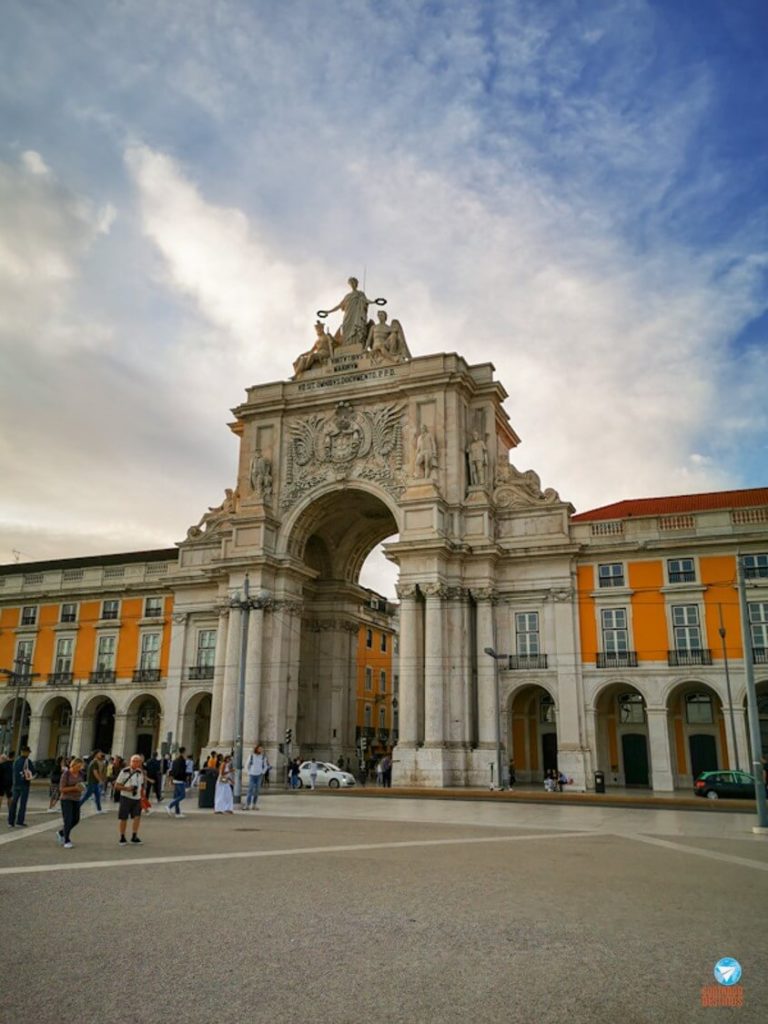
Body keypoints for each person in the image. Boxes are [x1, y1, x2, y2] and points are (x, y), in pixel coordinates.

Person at [322, 277, 377, 349]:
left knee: (358, 328)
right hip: (348, 316)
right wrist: (328, 312)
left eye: (354, 283)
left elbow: (366, 301)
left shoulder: (360, 294)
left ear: (356, 284)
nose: (353, 284)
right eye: (351, 283)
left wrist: (374, 302)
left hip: (358, 315)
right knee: (346, 329)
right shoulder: (347, 296)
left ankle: (358, 343)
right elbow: (339, 306)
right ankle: (347, 345)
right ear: (350, 285)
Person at [115, 755, 146, 845]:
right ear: (130, 762)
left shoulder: (140, 772)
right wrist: (127, 788)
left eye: (138, 761)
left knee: (137, 817)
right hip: (126, 797)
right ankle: (122, 836)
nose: (136, 763)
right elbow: (116, 786)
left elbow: (141, 786)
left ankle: (134, 836)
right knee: (123, 817)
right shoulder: (124, 772)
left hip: (137, 798)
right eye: (134, 761)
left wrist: (143, 798)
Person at [57, 757, 85, 848]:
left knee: (76, 819)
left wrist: (82, 787)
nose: (79, 768)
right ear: (73, 765)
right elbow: (61, 789)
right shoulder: (66, 774)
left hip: (76, 799)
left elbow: (82, 784)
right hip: (66, 799)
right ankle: (66, 840)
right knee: (68, 820)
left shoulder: (81, 774)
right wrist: (74, 788)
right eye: (78, 766)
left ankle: (61, 832)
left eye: (81, 766)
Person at [8, 745, 35, 828]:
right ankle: (20, 821)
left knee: (13, 804)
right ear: (26, 752)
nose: (29, 754)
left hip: (16, 785)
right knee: (22, 804)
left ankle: (11, 821)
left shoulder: (16, 761)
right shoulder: (28, 761)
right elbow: (33, 772)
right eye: (28, 752)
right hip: (24, 785)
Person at [167, 747, 188, 818]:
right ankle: (169, 805)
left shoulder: (175, 760)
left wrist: (171, 779)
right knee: (182, 795)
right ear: (183, 752)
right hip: (180, 780)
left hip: (176, 779)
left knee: (176, 796)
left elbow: (172, 770)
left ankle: (177, 812)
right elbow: (181, 771)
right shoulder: (182, 761)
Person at [245, 744, 267, 810]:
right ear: (256, 749)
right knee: (250, 790)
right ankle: (247, 804)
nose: (261, 750)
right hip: (252, 774)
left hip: (259, 775)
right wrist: (248, 772)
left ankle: (254, 804)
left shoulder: (263, 757)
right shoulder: (251, 756)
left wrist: (263, 772)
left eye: (262, 749)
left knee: (257, 791)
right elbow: (247, 764)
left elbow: (265, 766)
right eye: (260, 749)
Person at [0, 752, 14, 817]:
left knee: (0, 797)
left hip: (1, 782)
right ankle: (11, 812)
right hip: (10, 783)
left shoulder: (2, 765)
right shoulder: (13, 765)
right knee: (10, 797)